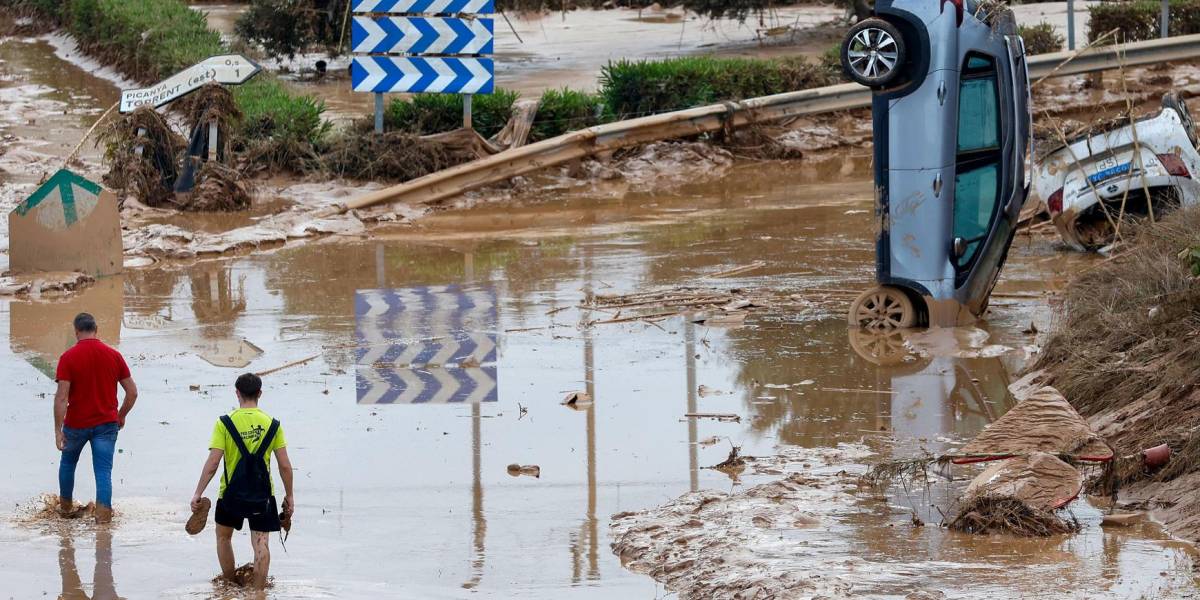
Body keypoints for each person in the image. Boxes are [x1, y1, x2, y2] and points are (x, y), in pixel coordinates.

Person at [190, 373, 294, 590]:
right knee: (261, 544)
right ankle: (258, 591)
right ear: (260, 394)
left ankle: (229, 585)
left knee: (223, 538)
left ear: (237, 393)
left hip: (229, 495)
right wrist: (289, 495)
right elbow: (284, 465)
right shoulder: (273, 425)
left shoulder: (224, 423)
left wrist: (198, 492)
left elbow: (213, 462)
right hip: (263, 496)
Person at [54, 312, 138, 524]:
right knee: (103, 472)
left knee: (68, 464)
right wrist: (121, 416)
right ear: (96, 330)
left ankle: (65, 511)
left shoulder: (68, 358)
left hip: (76, 424)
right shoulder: (113, 355)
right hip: (106, 424)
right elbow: (132, 392)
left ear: (76, 332)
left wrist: (57, 430)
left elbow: (62, 398)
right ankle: (103, 520)